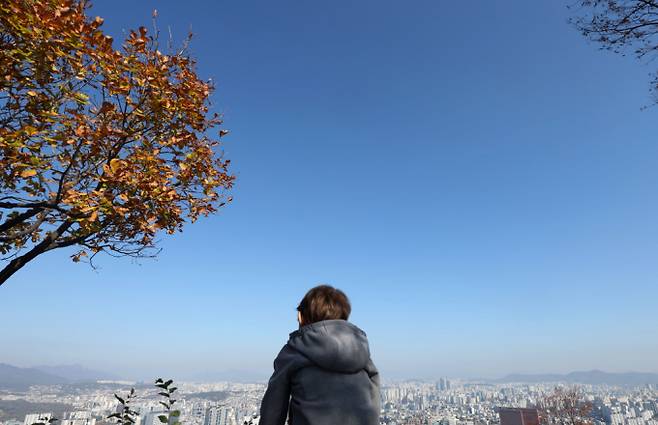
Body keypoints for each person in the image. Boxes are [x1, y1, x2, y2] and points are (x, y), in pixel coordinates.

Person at [259, 285, 381, 425]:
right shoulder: (360, 351)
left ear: (301, 316)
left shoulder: (293, 351)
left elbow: (273, 410)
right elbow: (374, 400)